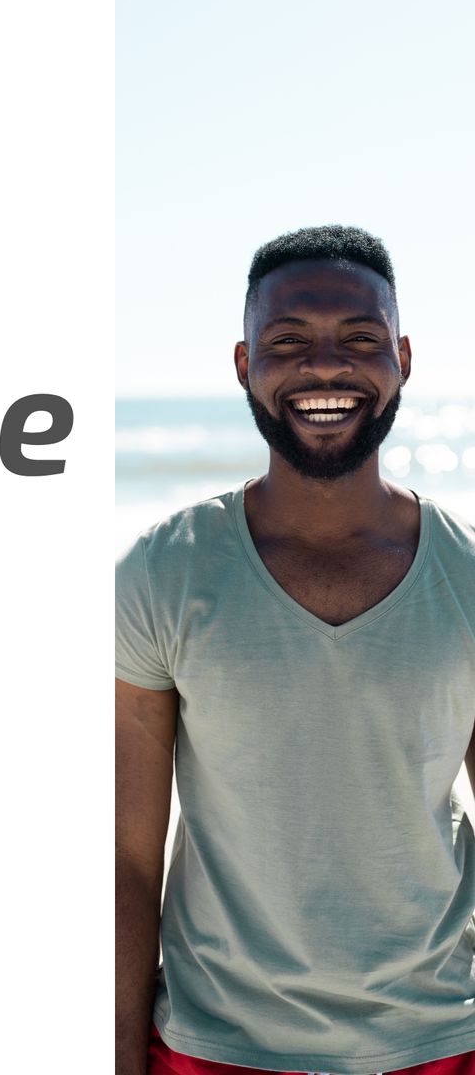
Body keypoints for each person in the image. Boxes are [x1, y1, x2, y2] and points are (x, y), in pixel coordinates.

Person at [115, 225, 475, 1075]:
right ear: (244, 364)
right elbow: (128, 854)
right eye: (288, 341)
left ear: (404, 359)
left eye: (360, 338)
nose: (325, 367)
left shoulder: (464, 577)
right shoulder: (164, 574)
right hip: (215, 1046)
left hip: (438, 1040)